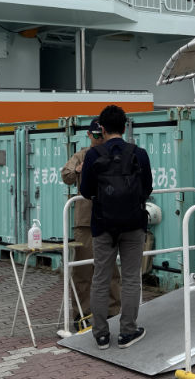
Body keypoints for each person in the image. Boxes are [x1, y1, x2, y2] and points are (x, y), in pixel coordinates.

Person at [79, 104, 152, 350]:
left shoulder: (92, 155)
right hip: (134, 224)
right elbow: (147, 189)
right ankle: (127, 332)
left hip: (103, 226)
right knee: (131, 278)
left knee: (100, 278)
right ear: (124, 126)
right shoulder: (139, 154)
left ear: (101, 127)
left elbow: (86, 192)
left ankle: (101, 335)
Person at [60, 118, 120, 328]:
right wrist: (78, 170)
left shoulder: (114, 152)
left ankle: (114, 311)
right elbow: (65, 175)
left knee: (111, 268)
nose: (99, 138)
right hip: (85, 220)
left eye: (101, 135)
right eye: (95, 135)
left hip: (109, 218)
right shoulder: (82, 154)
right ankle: (82, 314)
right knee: (83, 270)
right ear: (88, 134)